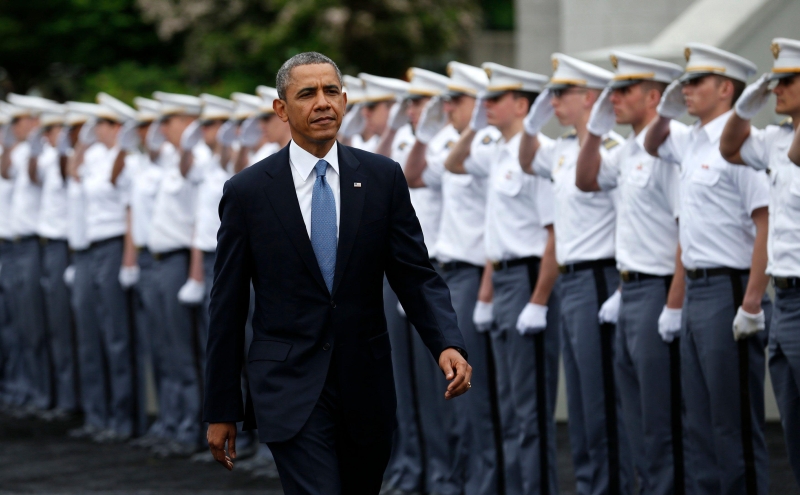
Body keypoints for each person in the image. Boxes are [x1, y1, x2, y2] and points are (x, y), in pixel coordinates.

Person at [203, 52, 471, 495]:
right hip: (288, 388)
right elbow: (227, 306)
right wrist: (221, 407)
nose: (323, 102)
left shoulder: (382, 177)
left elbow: (414, 274)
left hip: (365, 384)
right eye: (307, 94)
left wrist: (446, 341)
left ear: (345, 101)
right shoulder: (248, 192)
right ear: (281, 110)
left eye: (331, 92)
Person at [644, 43, 771, 495]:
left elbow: (765, 225)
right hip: (697, 292)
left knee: (732, 422)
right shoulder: (691, 139)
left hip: (728, 289)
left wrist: (752, 302)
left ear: (725, 88)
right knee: (697, 421)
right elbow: (651, 141)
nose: (686, 90)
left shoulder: (742, 147)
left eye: (695, 82)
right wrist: (667, 108)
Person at [518, 53, 632, 495]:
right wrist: (531, 125)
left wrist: (622, 286)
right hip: (571, 280)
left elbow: (628, 223)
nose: (553, 101)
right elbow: (528, 160)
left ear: (589, 97)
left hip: (600, 278)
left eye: (561, 93)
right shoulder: (563, 150)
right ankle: (590, 486)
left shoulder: (612, 152)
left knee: (603, 401)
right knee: (583, 405)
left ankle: (611, 487)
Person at [574, 52, 686, 495]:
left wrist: (674, 305)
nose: (613, 98)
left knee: (661, 419)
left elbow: (685, 233)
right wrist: (597, 131)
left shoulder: (669, 147)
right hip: (631, 292)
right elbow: (586, 180)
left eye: (625, 91)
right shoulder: (631, 149)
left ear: (655, 96)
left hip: (660, 291)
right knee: (637, 415)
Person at [403, 61, 504, 495]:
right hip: (445, 273)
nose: (448, 108)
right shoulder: (452, 142)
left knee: (472, 394)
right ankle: (456, 477)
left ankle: (481, 482)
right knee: (441, 393)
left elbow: (494, 221)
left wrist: (486, 285)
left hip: (474, 273)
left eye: (456, 100)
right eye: (445, 100)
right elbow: (413, 176)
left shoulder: (490, 143)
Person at [718, 37, 800, 488]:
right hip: (784, 299)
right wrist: (747, 108)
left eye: (786, 80)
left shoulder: (789, 144)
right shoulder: (774, 138)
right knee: (792, 424)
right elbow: (729, 148)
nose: (777, 88)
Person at [0, 101, 50, 415]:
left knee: (33, 325)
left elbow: (33, 177)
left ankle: (40, 393)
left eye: (19, 120)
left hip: (32, 244)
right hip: (10, 245)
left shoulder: (43, 153)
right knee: (12, 325)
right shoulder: (16, 152)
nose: (14, 126)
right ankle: (20, 388)